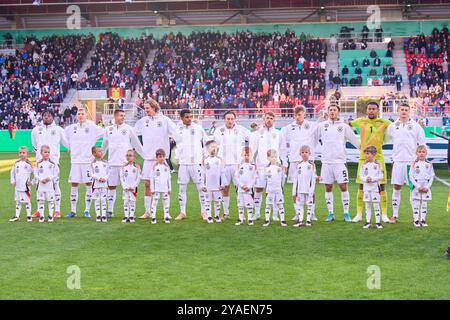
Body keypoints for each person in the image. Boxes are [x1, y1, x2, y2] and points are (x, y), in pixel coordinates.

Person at [316, 105, 360, 222]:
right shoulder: (322, 126)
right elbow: (313, 138)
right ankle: (331, 213)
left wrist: (364, 149)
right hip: (326, 162)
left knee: (343, 186)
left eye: (334, 110)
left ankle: (346, 213)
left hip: (340, 161)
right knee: (328, 187)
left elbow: (354, 140)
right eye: (330, 110)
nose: (332, 112)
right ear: (328, 112)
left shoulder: (344, 126)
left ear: (338, 112)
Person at [135, 98, 177, 220]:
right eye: (145, 108)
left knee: (164, 186)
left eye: (147, 108)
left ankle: (166, 212)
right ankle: (147, 212)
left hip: (161, 159)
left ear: (154, 107)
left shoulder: (165, 120)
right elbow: (132, 134)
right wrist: (138, 150)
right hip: (148, 158)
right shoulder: (143, 121)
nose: (145, 110)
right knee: (147, 184)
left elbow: (176, 133)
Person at [349, 102, 391, 223]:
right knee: (361, 185)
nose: (371, 111)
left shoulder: (384, 122)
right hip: (363, 158)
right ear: (366, 110)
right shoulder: (361, 121)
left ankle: (384, 214)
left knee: (381, 185)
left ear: (378, 110)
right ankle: (359, 214)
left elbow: (395, 129)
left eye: (373, 109)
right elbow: (347, 126)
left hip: (378, 158)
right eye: (369, 109)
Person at [386, 103, 426, 223]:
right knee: (396, 187)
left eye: (406, 110)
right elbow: (387, 140)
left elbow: (422, 143)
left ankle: (416, 217)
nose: (404, 112)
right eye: (402, 110)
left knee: (413, 189)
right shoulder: (393, 126)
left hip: (411, 163)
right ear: (398, 111)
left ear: (409, 112)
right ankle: (394, 215)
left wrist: (419, 159)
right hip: (397, 162)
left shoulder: (416, 126)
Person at [101, 109, 145, 218]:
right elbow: (104, 145)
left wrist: (145, 156)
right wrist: (100, 157)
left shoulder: (129, 129)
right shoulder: (108, 129)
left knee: (129, 187)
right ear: (115, 116)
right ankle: (110, 210)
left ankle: (130, 211)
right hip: (112, 162)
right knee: (111, 186)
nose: (123, 117)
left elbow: (136, 144)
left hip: (126, 164)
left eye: (124, 115)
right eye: (121, 115)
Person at [280, 105, 318, 222]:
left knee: (311, 187)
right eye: (295, 115)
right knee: (295, 188)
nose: (297, 117)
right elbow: (282, 146)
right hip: (294, 161)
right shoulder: (288, 128)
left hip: (308, 161)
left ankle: (311, 213)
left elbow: (318, 135)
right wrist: (284, 162)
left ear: (304, 114)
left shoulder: (311, 126)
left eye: (299, 114)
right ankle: (298, 212)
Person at [65, 107, 104, 218]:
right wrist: (69, 147)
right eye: (79, 114)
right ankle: (73, 210)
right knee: (74, 184)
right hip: (75, 161)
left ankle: (87, 210)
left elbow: (104, 132)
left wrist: (98, 149)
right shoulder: (71, 128)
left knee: (89, 184)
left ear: (87, 115)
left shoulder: (92, 126)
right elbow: (62, 137)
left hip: (88, 161)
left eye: (82, 113)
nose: (80, 115)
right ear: (76, 116)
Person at [31, 110, 68, 219]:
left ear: (53, 117)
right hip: (40, 163)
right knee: (39, 186)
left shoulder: (58, 130)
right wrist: (39, 157)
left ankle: (57, 210)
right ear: (42, 117)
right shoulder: (36, 130)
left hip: (54, 162)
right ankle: (39, 210)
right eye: (45, 116)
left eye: (49, 116)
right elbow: (34, 145)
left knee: (55, 185)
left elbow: (66, 143)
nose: (47, 117)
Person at [213, 111, 249, 220]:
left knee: (239, 188)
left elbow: (253, 139)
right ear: (224, 119)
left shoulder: (241, 130)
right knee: (225, 188)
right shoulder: (219, 131)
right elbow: (213, 146)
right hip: (223, 164)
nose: (230, 121)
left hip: (237, 163)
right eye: (228, 119)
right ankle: (226, 213)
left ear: (235, 119)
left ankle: (241, 213)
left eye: (232, 119)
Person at [174, 109, 207, 221]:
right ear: (182, 118)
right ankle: (182, 212)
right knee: (182, 189)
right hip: (183, 164)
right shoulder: (177, 130)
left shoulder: (198, 128)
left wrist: (204, 157)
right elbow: (177, 146)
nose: (189, 119)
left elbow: (206, 142)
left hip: (196, 163)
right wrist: (178, 159)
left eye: (190, 116)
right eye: (187, 117)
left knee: (201, 188)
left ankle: (204, 212)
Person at [249, 112, 281, 221]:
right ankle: (257, 212)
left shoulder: (278, 133)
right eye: (267, 118)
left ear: (274, 120)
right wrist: (252, 163)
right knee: (258, 189)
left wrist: (283, 163)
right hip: (261, 165)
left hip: (275, 166)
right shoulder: (258, 133)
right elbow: (252, 148)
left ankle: (275, 214)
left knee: (274, 190)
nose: (269, 120)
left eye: (271, 118)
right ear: (264, 119)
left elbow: (282, 149)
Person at [409, 145, 435, 227]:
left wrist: (427, 187)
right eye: (419, 152)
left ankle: (423, 220)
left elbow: (432, 176)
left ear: (426, 153)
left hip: (425, 186)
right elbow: (411, 176)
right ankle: (416, 220)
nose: (421, 154)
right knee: (416, 204)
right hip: (417, 187)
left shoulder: (429, 164)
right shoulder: (414, 164)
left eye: (423, 152)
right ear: (416, 153)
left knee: (424, 204)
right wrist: (417, 186)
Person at [359, 145, 384, 229]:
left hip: (375, 188)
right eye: (365, 154)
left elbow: (381, 176)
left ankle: (378, 222)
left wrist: (372, 179)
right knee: (367, 205)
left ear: (373, 154)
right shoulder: (363, 164)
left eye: (367, 153)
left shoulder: (378, 164)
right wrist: (366, 179)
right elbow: (361, 175)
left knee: (376, 204)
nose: (365, 155)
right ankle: (368, 222)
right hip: (366, 188)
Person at [292, 145, 316, 227]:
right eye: (302, 152)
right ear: (300, 154)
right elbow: (296, 178)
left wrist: (312, 189)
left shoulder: (311, 165)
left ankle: (308, 220)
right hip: (300, 189)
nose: (304, 154)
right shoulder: (298, 165)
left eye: (306, 152)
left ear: (309, 153)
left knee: (309, 204)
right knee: (300, 205)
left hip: (308, 189)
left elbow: (313, 179)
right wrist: (294, 190)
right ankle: (301, 220)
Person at [263, 149, 287, 227]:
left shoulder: (279, 168)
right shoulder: (266, 169)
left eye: (275, 157)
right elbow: (265, 180)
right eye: (272, 157)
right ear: (268, 158)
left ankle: (282, 220)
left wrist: (281, 188)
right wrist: (265, 189)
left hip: (278, 190)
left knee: (280, 204)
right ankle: (266, 220)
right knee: (268, 205)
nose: (274, 158)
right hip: (269, 190)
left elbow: (283, 178)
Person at [34, 145, 59, 223]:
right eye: (45, 152)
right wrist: (41, 179)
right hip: (41, 186)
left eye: (48, 152)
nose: (47, 154)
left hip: (50, 186)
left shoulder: (53, 163)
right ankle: (41, 216)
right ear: (41, 153)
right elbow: (35, 174)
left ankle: (50, 215)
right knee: (41, 201)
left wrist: (49, 178)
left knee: (51, 201)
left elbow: (56, 173)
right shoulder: (38, 163)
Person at [9, 146, 33, 222]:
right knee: (18, 201)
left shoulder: (29, 163)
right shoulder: (16, 163)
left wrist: (32, 182)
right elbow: (12, 172)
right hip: (17, 186)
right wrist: (12, 180)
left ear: (27, 154)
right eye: (20, 153)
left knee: (27, 201)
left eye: (23, 153)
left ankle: (29, 216)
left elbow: (35, 173)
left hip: (25, 187)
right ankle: (17, 216)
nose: (22, 154)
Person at [202, 140, 224, 224]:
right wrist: (203, 185)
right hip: (208, 186)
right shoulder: (205, 160)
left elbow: (222, 172)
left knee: (217, 201)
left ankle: (217, 216)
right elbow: (203, 173)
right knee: (207, 201)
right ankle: (209, 216)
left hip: (217, 185)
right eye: (212, 147)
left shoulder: (219, 160)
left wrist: (222, 184)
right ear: (207, 149)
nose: (214, 148)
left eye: (215, 146)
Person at [235, 147, 256, 226]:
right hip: (240, 189)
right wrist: (241, 185)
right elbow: (236, 177)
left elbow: (254, 177)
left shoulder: (253, 166)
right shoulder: (239, 165)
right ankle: (240, 219)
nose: (246, 156)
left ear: (251, 155)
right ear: (242, 155)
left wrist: (249, 186)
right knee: (240, 204)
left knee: (249, 204)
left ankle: (250, 219)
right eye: (245, 155)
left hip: (249, 189)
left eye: (248, 155)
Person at [149, 149, 172, 224]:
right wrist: (152, 189)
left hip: (165, 188)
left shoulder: (167, 167)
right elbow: (152, 179)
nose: (162, 158)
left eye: (163, 156)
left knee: (166, 202)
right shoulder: (154, 167)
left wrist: (169, 188)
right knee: (154, 202)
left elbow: (169, 178)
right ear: (157, 157)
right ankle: (153, 217)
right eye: (160, 156)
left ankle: (166, 217)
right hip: (157, 189)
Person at [120, 150, 141, 223]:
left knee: (132, 202)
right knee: (125, 201)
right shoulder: (123, 167)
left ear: (134, 157)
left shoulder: (136, 167)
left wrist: (133, 186)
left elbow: (138, 178)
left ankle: (131, 216)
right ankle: (126, 216)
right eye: (127, 155)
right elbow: (121, 177)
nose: (128, 157)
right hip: (125, 189)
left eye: (130, 155)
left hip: (133, 189)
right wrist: (124, 186)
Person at [91, 146, 109, 223]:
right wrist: (99, 178)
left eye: (101, 151)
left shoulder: (106, 163)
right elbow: (91, 173)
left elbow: (109, 172)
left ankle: (104, 215)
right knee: (97, 200)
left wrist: (105, 178)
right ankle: (98, 215)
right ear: (94, 153)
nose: (101, 153)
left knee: (104, 200)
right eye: (99, 151)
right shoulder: (92, 164)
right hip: (96, 185)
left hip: (104, 184)